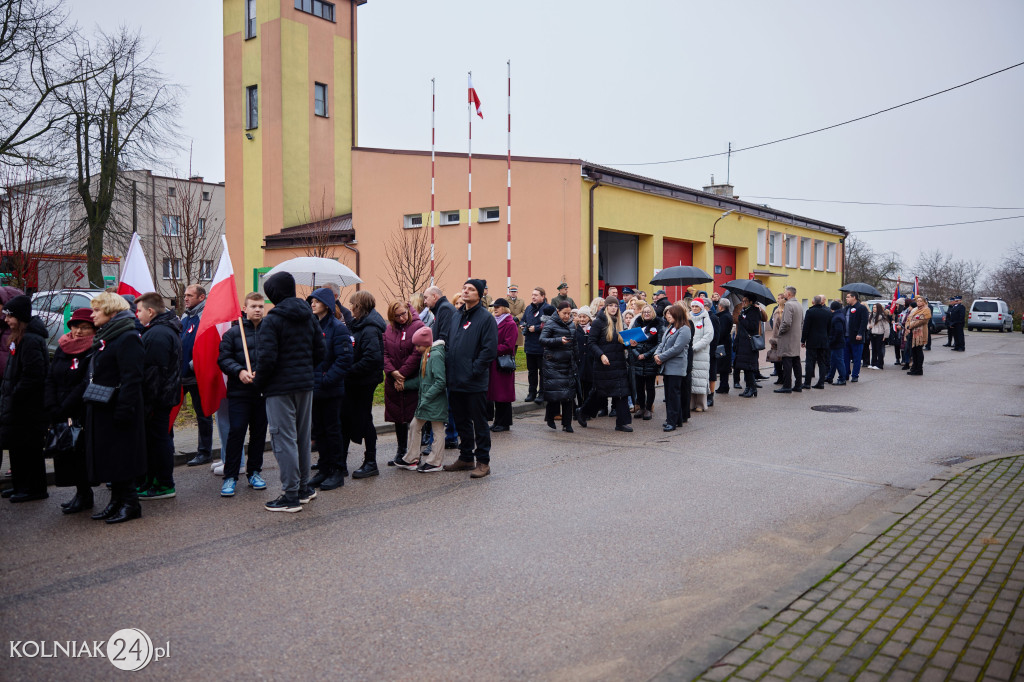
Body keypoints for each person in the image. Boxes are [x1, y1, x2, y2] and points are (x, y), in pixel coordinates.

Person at [254, 272, 326, 512]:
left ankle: (291, 495)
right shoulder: (309, 316)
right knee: (302, 438)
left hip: (279, 388)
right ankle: (303, 488)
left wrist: (259, 384)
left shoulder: (272, 319)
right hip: (305, 385)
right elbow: (320, 352)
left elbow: (266, 359)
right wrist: (304, 369)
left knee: (283, 440)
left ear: (273, 294)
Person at [85, 292, 146, 523]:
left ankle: (131, 504)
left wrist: (124, 409)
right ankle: (116, 502)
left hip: (121, 408)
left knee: (123, 458)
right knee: (113, 458)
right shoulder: (109, 336)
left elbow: (132, 377)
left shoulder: (128, 337)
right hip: (106, 407)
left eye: (97, 311)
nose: (92, 315)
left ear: (110, 311)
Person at [442, 279, 498, 478]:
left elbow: (489, 350)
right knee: (461, 420)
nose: (465, 291)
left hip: (474, 381)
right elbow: (449, 343)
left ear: (480, 294)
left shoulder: (485, 318)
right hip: (455, 379)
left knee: (479, 422)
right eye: (464, 288)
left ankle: (483, 461)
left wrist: (473, 370)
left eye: (471, 289)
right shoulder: (457, 316)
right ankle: (466, 457)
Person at [217, 292, 270, 495]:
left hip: (262, 392)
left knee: (259, 433)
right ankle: (230, 476)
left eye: (260, 306)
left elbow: (275, 356)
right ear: (245, 308)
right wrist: (239, 371)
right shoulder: (232, 333)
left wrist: (263, 373)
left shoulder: (270, 331)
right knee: (236, 431)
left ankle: (255, 472)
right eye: (253, 306)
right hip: (239, 393)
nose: (257, 309)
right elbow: (223, 358)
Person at [44, 308, 95, 512]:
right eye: (75, 326)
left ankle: (85, 494)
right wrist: (51, 404)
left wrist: (66, 407)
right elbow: (51, 377)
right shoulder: (63, 346)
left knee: (79, 453)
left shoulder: (93, 349)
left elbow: (85, 381)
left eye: (84, 327)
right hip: (59, 408)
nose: (78, 331)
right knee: (65, 453)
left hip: (79, 409)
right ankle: (79, 492)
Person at [1, 295, 50, 502]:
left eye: (9, 316)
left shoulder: (30, 340)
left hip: (28, 406)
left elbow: (33, 375)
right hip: (18, 404)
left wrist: (15, 394)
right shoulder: (19, 337)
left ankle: (35, 488)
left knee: (30, 449)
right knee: (17, 447)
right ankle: (20, 485)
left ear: (19, 317)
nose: (6, 320)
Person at [135, 292, 183, 501]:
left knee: (158, 442)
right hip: (162, 397)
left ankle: (163, 484)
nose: (137, 315)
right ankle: (153, 479)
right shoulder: (160, 330)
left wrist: (147, 404)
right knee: (157, 441)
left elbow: (154, 373)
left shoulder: (157, 335)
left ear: (150, 311)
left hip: (157, 400)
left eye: (139, 311)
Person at [306, 288, 353, 490]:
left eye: (316, 301)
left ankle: (336, 470)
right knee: (320, 432)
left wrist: (326, 379)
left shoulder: (338, 328)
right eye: (311, 301)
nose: (312, 304)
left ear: (326, 303)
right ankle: (324, 468)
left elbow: (345, 359)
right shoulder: (312, 326)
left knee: (333, 430)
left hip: (330, 390)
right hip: (314, 388)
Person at [343, 290, 386, 479]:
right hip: (355, 381)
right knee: (346, 419)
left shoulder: (369, 328)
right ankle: (340, 461)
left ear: (359, 307)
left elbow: (372, 358)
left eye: (353, 305)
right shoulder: (360, 324)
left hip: (363, 382)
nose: (351, 308)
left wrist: (349, 370)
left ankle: (371, 462)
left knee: (365, 420)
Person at [395, 326, 447, 472]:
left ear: (426, 343)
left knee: (437, 429)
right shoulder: (427, 355)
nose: (416, 348)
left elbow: (440, 381)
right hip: (427, 400)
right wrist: (405, 385)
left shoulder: (435, 356)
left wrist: (427, 397)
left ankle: (435, 461)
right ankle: (412, 458)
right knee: (415, 426)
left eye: (418, 345)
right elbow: (422, 380)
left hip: (433, 401)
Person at [577, 296, 633, 431]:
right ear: (606, 307)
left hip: (618, 363)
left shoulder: (619, 322)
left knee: (622, 392)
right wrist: (601, 355)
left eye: (615, 306)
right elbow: (591, 342)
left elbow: (620, 342)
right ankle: (582, 412)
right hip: (604, 365)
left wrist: (630, 344)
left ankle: (621, 423)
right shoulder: (598, 322)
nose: (613, 308)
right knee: (599, 393)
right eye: (611, 305)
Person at [383, 300, 424, 466]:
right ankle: (400, 450)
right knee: (398, 417)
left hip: (410, 379)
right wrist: (392, 372)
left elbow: (417, 354)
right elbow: (384, 353)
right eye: (397, 316)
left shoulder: (417, 326)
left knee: (413, 418)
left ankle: (413, 452)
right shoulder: (389, 329)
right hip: (393, 380)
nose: (401, 318)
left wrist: (402, 374)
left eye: (403, 314)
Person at [179, 284, 215, 466]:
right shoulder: (185, 316)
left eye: (190, 295)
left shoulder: (205, 317)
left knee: (202, 414)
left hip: (195, 376)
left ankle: (205, 452)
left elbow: (209, 345)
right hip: (180, 375)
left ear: (201, 297)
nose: (186, 298)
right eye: (185, 295)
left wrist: (194, 366)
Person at [424, 286, 459, 449]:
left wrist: (435, 357)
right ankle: (451, 437)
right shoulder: (442, 309)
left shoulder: (444, 309)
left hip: (444, 361)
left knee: (442, 402)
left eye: (426, 298)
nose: (425, 302)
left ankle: (439, 441)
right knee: (449, 401)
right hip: (446, 360)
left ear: (434, 296)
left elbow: (443, 337)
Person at [540, 301, 578, 432]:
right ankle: (550, 418)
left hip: (568, 364)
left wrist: (576, 360)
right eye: (564, 313)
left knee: (568, 396)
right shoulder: (550, 323)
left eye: (569, 313)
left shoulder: (572, 324)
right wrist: (558, 340)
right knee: (554, 395)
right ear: (558, 311)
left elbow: (575, 344)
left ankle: (567, 424)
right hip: (553, 364)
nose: (567, 316)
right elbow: (542, 340)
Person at [653, 304, 691, 431]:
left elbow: (677, 348)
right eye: (667, 314)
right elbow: (662, 343)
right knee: (669, 394)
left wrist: (661, 357)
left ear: (677, 314)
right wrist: (656, 354)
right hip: (667, 365)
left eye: (670, 314)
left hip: (676, 366)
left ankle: (672, 421)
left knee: (673, 395)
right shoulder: (671, 327)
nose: (667, 316)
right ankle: (677, 419)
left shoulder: (684, 329)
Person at [488, 298, 518, 432]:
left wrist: (492, 349)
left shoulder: (510, 323)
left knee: (503, 395)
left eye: (498, 307)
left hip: (503, 363)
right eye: (494, 307)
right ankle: (497, 421)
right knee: (497, 394)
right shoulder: (494, 321)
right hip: (495, 363)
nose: (495, 309)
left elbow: (509, 345)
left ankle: (504, 423)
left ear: (505, 308)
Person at [521, 287, 554, 403]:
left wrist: (535, 328)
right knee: (531, 371)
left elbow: (550, 324)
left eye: (536, 295)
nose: (533, 297)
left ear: (542, 296)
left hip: (542, 346)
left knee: (543, 372)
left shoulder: (548, 308)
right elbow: (523, 320)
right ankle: (532, 392)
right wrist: (523, 325)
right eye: (532, 295)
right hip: (530, 346)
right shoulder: (529, 308)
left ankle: (542, 393)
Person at [630, 304, 664, 420]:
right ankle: (642, 407)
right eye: (644, 312)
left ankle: (649, 409)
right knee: (639, 386)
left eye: (649, 312)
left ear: (653, 312)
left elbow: (660, 343)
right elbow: (631, 342)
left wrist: (647, 355)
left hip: (650, 358)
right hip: (638, 358)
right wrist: (637, 354)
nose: (646, 314)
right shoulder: (637, 322)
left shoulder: (658, 323)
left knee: (650, 386)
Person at [773, 286, 804, 393]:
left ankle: (787, 386)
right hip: (795, 338)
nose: (784, 294)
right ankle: (798, 385)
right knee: (796, 361)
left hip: (787, 337)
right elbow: (801, 322)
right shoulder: (799, 304)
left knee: (787, 362)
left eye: (785, 292)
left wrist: (780, 332)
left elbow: (786, 322)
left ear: (789, 294)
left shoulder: (789, 305)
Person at [688, 299, 715, 411]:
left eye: (696, 306)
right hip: (689, 352)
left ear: (701, 307)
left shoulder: (705, 319)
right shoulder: (688, 318)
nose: (694, 308)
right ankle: (690, 403)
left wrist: (696, 346)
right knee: (691, 378)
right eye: (693, 306)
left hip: (701, 353)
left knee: (700, 378)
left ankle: (700, 404)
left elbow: (708, 336)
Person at [734, 296, 762, 398]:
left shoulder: (754, 312)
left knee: (749, 367)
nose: (743, 303)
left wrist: (742, 319)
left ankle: (753, 388)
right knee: (745, 367)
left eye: (745, 301)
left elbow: (752, 327)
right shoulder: (744, 311)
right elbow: (741, 328)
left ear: (751, 302)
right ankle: (748, 388)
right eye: (742, 301)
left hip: (749, 344)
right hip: (742, 343)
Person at [801, 295, 831, 389]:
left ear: (813, 302)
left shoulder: (810, 312)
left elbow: (806, 327)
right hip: (823, 340)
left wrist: (803, 340)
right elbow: (829, 327)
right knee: (822, 362)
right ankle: (821, 383)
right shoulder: (827, 312)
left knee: (810, 362)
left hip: (812, 340)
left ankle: (807, 383)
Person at [843, 292, 869, 383]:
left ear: (854, 298)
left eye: (848, 297)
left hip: (856, 337)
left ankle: (855, 375)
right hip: (845, 337)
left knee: (856, 357)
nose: (846, 299)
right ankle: (845, 374)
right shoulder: (846, 308)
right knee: (845, 357)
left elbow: (864, 322)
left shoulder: (862, 308)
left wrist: (860, 333)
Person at [904, 296, 932, 376]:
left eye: (920, 301)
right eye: (917, 301)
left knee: (918, 351)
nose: (918, 302)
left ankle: (919, 369)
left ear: (924, 302)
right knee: (913, 351)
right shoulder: (914, 309)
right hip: (912, 332)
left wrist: (911, 326)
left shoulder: (926, 310)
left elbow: (922, 320)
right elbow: (908, 319)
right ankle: (914, 368)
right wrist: (907, 327)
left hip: (920, 332)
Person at [573, 306, 594, 412]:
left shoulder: (593, 329)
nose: (582, 319)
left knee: (589, 386)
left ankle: (587, 407)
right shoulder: (576, 329)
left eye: (584, 317)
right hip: (579, 361)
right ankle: (580, 406)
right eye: (580, 317)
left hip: (590, 362)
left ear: (589, 318)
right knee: (579, 386)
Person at [826, 300, 849, 385]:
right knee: (834, 361)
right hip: (838, 342)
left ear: (832, 308)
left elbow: (838, 331)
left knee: (839, 361)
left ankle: (842, 378)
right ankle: (830, 377)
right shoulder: (840, 315)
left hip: (837, 343)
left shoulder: (836, 317)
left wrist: (831, 341)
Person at [714, 299, 734, 395]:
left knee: (723, 366)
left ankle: (724, 386)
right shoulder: (726, 315)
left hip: (723, 344)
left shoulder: (724, 317)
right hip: (725, 343)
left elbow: (722, 332)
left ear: (721, 306)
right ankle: (723, 385)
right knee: (723, 366)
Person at [866, 303, 889, 370]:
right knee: (873, 350)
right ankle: (873, 363)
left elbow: (886, 327)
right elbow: (868, 324)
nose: (874, 309)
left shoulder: (882, 317)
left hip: (880, 334)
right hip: (873, 334)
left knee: (879, 350)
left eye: (875, 307)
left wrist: (885, 336)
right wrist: (868, 327)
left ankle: (880, 364)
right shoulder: (870, 315)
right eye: (873, 307)